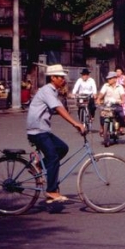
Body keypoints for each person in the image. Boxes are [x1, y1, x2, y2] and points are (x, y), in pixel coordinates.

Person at [26, 64, 86, 203]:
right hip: (37, 130)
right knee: (53, 157)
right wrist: (75, 123)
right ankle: (51, 191)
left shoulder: (52, 91)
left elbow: (61, 106)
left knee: (62, 148)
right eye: (60, 77)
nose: (63, 80)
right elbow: (59, 108)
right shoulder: (47, 90)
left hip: (43, 130)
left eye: (63, 78)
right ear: (52, 78)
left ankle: (38, 166)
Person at [96, 71, 125, 136]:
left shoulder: (120, 87)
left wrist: (122, 101)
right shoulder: (106, 85)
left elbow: (122, 96)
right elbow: (102, 93)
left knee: (122, 115)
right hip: (107, 105)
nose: (108, 80)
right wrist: (98, 99)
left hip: (116, 105)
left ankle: (121, 127)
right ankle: (102, 127)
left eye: (110, 78)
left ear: (115, 79)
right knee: (102, 114)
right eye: (108, 79)